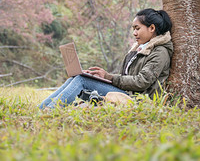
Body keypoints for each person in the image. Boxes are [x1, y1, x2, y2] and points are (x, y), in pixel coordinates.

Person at [39, 8, 173, 109]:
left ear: (152, 28)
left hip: (138, 99)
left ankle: (50, 111)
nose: (134, 33)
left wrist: (110, 77)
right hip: (127, 92)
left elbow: (141, 82)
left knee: (81, 80)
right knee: (74, 78)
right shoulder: (139, 49)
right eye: (133, 29)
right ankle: (41, 109)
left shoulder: (160, 52)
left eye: (137, 28)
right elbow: (127, 77)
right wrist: (103, 76)